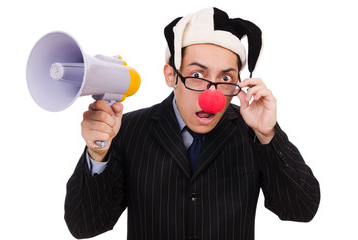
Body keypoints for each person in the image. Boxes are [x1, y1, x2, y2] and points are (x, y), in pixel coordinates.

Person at [64, 7, 320, 240]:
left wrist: (267, 135)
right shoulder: (129, 130)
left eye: (226, 77)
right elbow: (85, 226)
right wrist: (97, 154)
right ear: (170, 75)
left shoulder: (251, 131)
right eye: (197, 75)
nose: (212, 95)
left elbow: (301, 209)